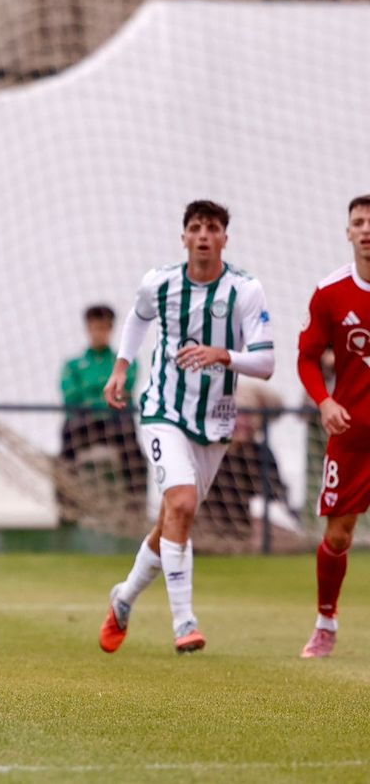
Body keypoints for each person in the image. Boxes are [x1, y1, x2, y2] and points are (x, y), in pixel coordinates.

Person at [99, 200, 274, 656]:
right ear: (183, 237)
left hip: (214, 421)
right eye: (195, 227)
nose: (202, 235)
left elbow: (267, 362)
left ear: (223, 239)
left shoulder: (245, 290)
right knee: (180, 502)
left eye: (211, 228)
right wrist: (121, 368)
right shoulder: (159, 284)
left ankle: (124, 598)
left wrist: (225, 355)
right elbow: (137, 319)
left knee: (174, 519)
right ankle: (184, 621)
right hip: (161, 412)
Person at [297, 193, 370, 658]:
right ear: (348, 232)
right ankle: (326, 622)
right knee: (339, 536)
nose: (367, 229)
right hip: (353, 435)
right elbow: (306, 357)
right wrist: (323, 402)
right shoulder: (330, 292)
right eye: (359, 222)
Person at [58, 305, 145, 514]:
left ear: (111, 330)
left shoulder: (125, 363)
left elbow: (123, 391)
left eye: (104, 328)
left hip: (115, 423)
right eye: (95, 328)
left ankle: (135, 506)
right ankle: (66, 505)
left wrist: (92, 395)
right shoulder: (73, 365)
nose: (99, 333)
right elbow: (71, 396)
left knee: (134, 452)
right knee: (66, 444)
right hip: (84, 423)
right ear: (88, 329)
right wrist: (102, 396)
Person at [200, 382, 297, 549]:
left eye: (246, 415)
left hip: (249, 532)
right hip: (210, 529)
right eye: (236, 414)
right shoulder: (209, 453)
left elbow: (271, 500)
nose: (241, 421)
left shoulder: (261, 454)